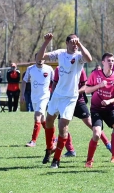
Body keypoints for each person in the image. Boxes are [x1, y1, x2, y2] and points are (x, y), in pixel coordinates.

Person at [38, 33, 92, 169]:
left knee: (63, 127)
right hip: (57, 95)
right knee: (48, 121)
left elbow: (89, 59)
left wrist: (80, 44)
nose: (74, 45)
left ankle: (56, 160)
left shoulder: (79, 56)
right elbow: (39, 58)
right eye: (72, 43)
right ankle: (49, 148)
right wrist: (46, 42)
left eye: (76, 43)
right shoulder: (60, 53)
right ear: (67, 43)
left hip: (71, 97)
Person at [52, 66, 111, 157]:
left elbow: (85, 86)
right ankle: (70, 150)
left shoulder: (80, 68)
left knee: (92, 124)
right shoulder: (59, 69)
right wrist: (54, 97)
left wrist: (75, 93)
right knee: (62, 126)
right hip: (64, 103)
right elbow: (55, 84)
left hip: (78, 102)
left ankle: (108, 145)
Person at [20, 54, 55, 147]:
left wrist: (54, 94)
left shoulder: (49, 69)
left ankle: (33, 141)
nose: (40, 60)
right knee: (43, 119)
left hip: (44, 97)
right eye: (38, 58)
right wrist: (22, 94)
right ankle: (54, 138)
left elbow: (55, 81)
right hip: (34, 97)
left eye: (42, 58)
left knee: (37, 116)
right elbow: (24, 81)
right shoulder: (30, 69)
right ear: (35, 59)